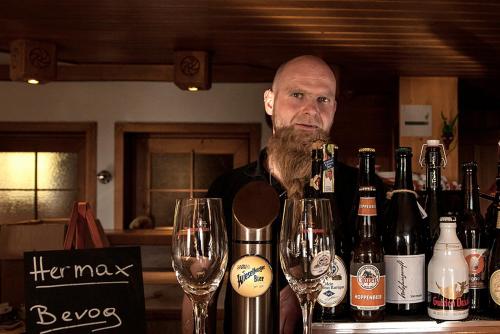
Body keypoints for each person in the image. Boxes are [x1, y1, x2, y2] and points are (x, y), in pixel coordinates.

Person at [181, 55, 386, 334]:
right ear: (269, 101)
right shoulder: (227, 188)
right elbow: (198, 288)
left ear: (334, 108)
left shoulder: (365, 190)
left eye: (323, 100)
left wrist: (307, 291)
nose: (311, 110)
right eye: (297, 94)